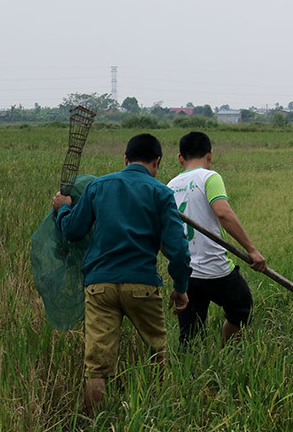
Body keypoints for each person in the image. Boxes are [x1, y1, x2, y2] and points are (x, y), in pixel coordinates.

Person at [52, 133, 192, 411]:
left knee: (97, 370)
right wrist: (181, 287)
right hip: (142, 285)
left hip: (99, 286)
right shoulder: (161, 192)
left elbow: (73, 231)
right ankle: (162, 417)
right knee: (159, 355)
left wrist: (63, 210)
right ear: (157, 162)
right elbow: (178, 250)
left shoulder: (98, 187)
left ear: (125, 159)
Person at [167, 131, 267, 347]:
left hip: (187, 273)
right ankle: (225, 350)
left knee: (189, 334)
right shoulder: (209, 177)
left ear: (180, 158)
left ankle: (187, 373)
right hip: (216, 269)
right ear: (210, 155)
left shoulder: (170, 186)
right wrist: (251, 249)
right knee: (242, 308)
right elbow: (223, 213)